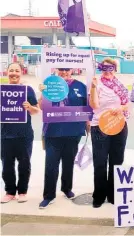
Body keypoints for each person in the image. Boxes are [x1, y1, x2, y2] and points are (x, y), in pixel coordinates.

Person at [38, 68, 89, 209]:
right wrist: (43, 94)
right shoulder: (50, 84)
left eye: (67, 69)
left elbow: (87, 107)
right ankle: (49, 195)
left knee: (68, 162)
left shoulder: (80, 86)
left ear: (72, 70)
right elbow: (42, 107)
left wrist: (88, 125)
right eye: (61, 69)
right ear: (56, 69)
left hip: (73, 131)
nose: (64, 71)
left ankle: (66, 188)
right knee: (51, 164)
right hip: (53, 131)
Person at [89, 58, 130, 208]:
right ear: (101, 69)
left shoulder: (121, 84)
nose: (107, 71)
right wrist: (93, 88)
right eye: (104, 68)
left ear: (115, 69)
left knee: (117, 161)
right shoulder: (97, 83)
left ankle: (114, 194)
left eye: (110, 68)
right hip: (100, 127)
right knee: (100, 162)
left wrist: (121, 108)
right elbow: (94, 105)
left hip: (119, 126)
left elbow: (127, 104)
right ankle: (99, 195)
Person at [1, 63, 39, 203]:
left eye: (17, 71)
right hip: (5, 134)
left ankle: (22, 192)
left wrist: (29, 107)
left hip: (24, 134)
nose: (14, 73)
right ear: (7, 72)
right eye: (11, 71)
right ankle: (9, 192)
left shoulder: (27, 90)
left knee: (24, 164)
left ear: (21, 73)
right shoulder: (1, 90)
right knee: (6, 165)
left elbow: (36, 111)